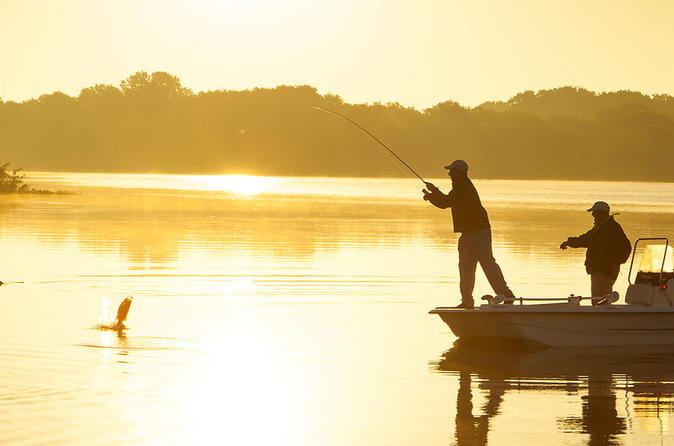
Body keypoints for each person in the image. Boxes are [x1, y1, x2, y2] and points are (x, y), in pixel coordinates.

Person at [423, 159, 515, 309]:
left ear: (458, 173)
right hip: (467, 233)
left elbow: (446, 202)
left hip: (479, 232)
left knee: (488, 264)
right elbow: (448, 200)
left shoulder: (463, 187)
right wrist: (434, 192)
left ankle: (506, 295)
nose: (449, 173)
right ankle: (467, 301)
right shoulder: (460, 186)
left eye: (451, 171)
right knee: (465, 267)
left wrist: (432, 195)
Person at [560, 201, 631, 303]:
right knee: (600, 300)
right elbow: (587, 239)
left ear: (601, 213)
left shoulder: (608, 228)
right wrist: (569, 242)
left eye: (594, 212)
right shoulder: (602, 226)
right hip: (602, 270)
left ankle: (602, 318)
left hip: (603, 271)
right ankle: (603, 316)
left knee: (598, 301)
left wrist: (612, 262)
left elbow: (587, 240)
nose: (592, 215)